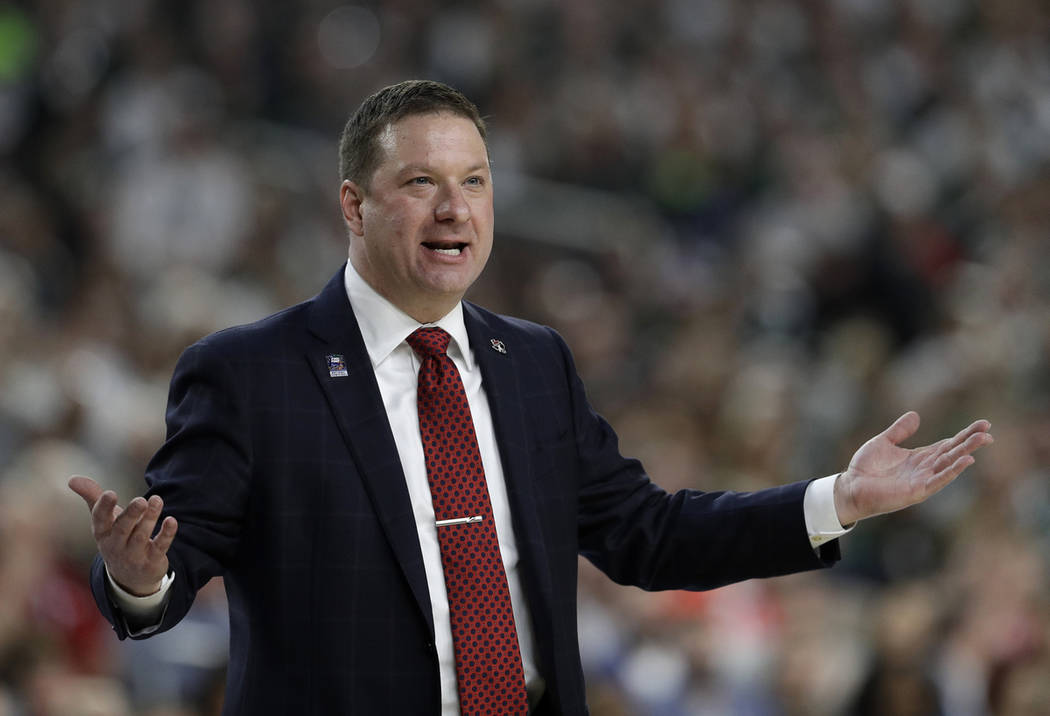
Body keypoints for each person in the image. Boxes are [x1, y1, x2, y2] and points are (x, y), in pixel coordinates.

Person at [68, 80, 993, 715]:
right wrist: (139, 574)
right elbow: (168, 573)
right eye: (421, 182)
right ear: (352, 205)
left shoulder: (532, 361)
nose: (455, 209)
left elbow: (649, 534)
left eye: (474, 182)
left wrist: (840, 499)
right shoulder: (250, 369)